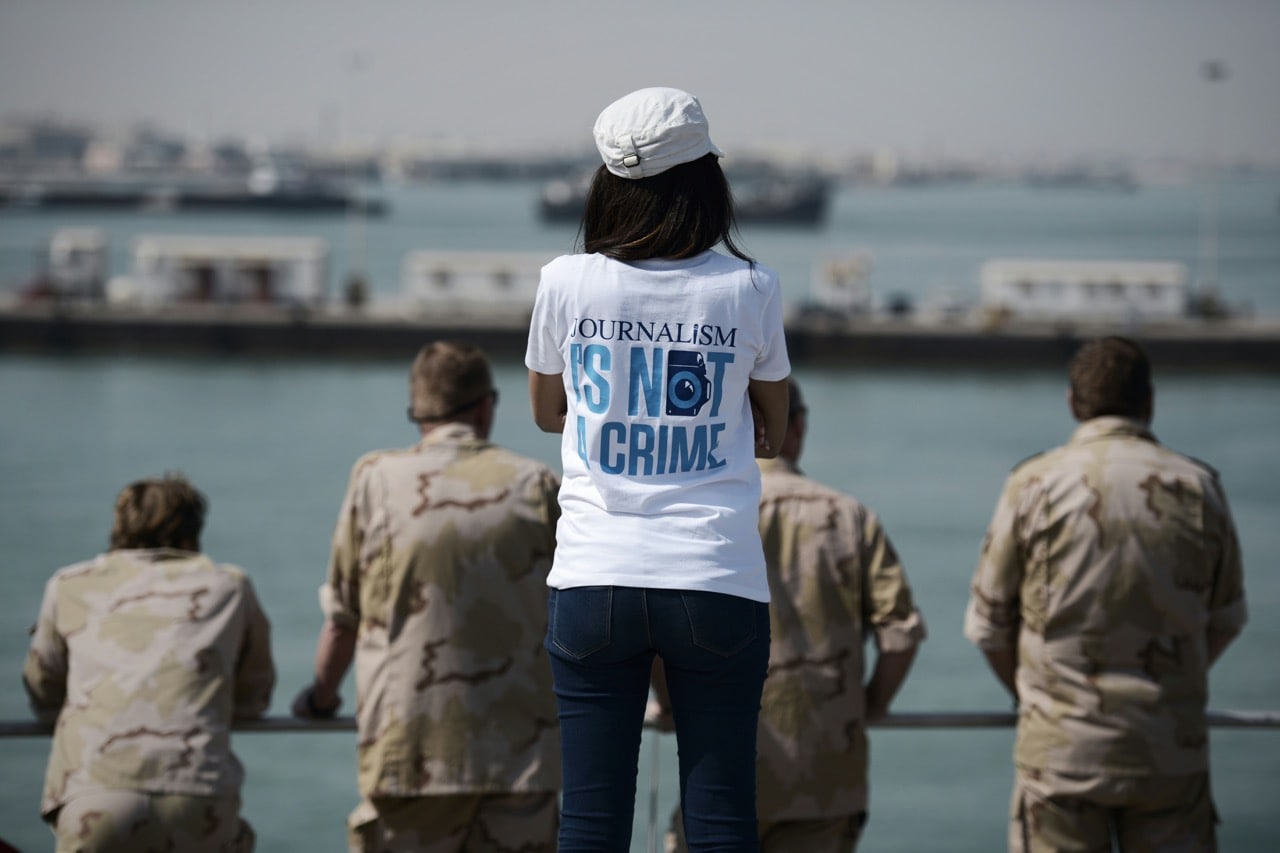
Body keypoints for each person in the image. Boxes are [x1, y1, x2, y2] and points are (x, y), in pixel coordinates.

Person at [525, 86, 792, 852]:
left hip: (592, 578)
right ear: (707, 180)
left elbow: (549, 412)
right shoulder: (750, 288)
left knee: (590, 821)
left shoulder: (565, 282)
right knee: (720, 819)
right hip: (715, 577)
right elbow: (772, 427)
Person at [964, 336, 1248, 852]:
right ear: (1150, 401)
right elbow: (1226, 618)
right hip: (1169, 754)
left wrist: (1037, 696)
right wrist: (1170, 683)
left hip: (1060, 756)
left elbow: (988, 626)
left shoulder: (1033, 484)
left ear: (1073, 403)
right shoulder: (1199, 486)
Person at [292, 340, 563, 852]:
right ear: (486, 406)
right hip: (521, 757)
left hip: (409, 754)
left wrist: (321, 698)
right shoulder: (536, 484)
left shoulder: (375, 480)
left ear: (417, 411)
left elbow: (343, 620)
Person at [659, 378, 927, 852]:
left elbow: (656, 628)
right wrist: (868, 707)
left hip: (718, 770)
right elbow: (900, 635)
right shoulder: (850, 517)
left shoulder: (694, 515)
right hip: (824, 776)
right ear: (796, 427)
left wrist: (671, 705)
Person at [23, 474, 275, 852]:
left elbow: (42, 689)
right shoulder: (227, 586)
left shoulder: (68, 585)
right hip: (196, 792)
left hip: (93, 792)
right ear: (192, 532)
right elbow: (254, 696)